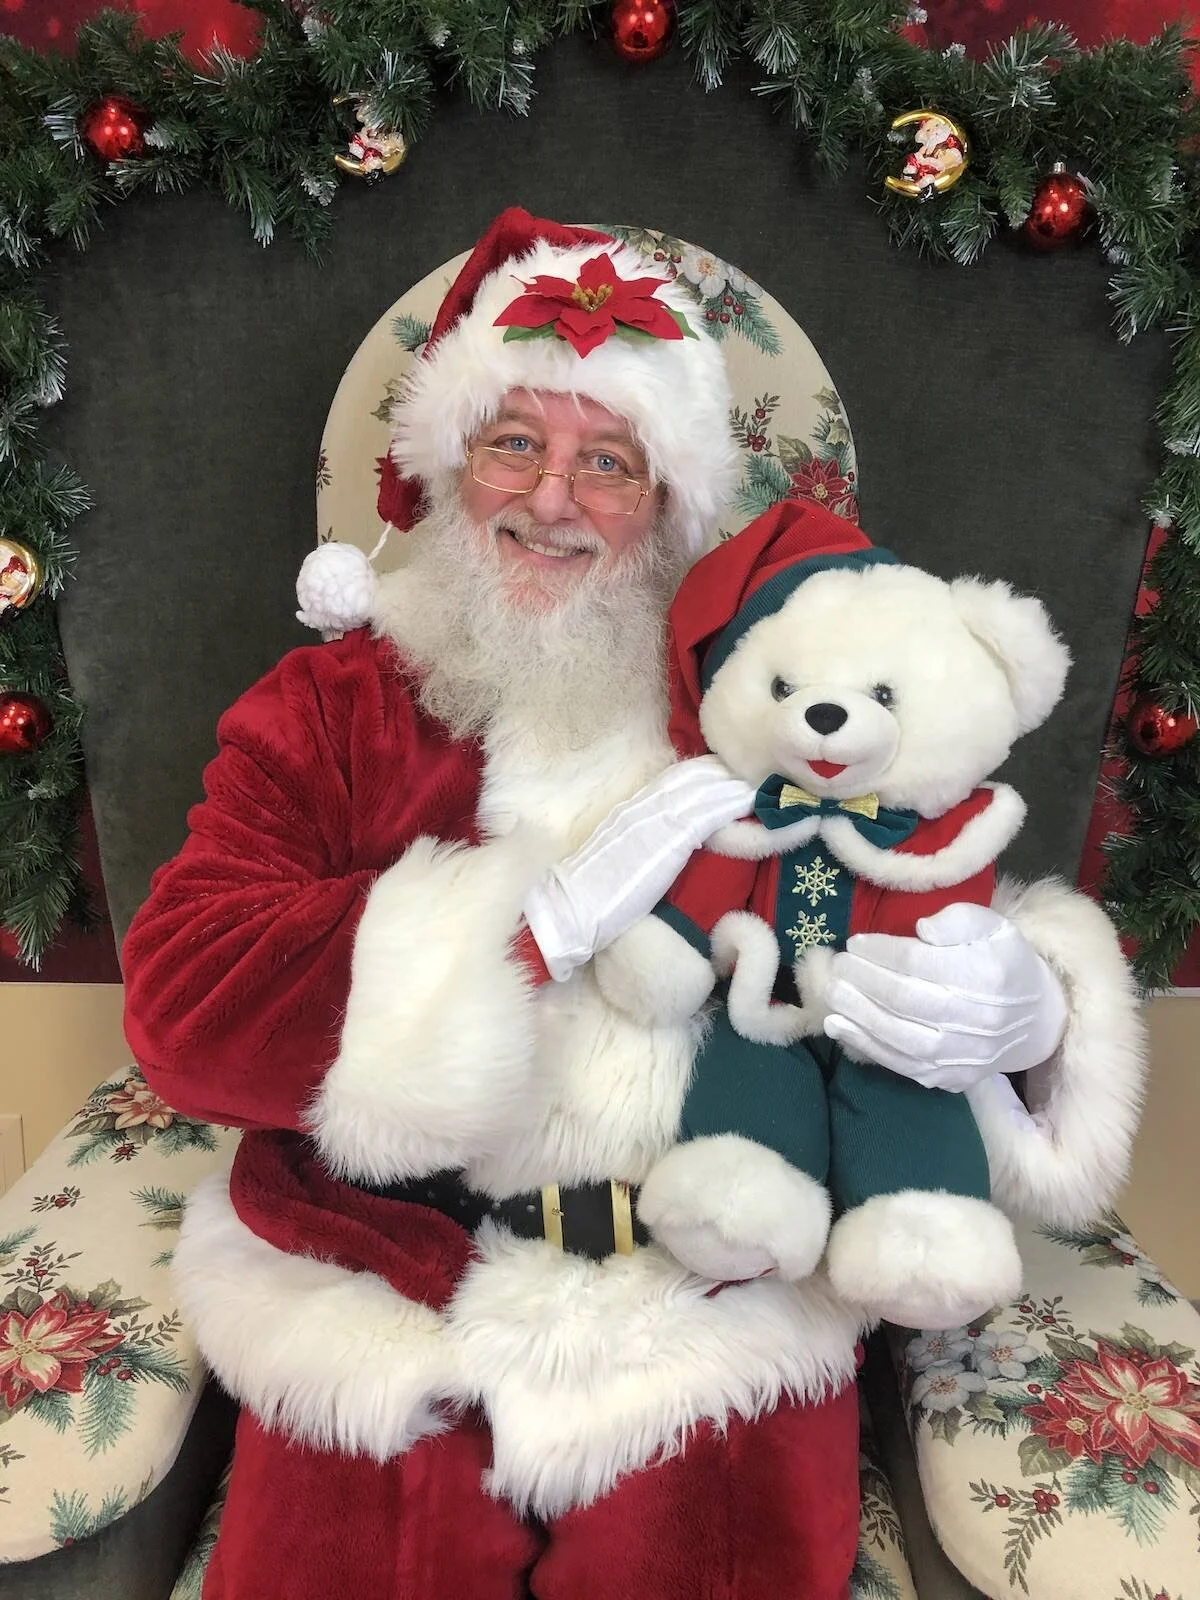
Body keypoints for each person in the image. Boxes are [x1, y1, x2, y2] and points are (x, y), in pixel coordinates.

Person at [122, 209, 1145, 1600]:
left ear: (670, 503)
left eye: (608, 462)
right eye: (514, 444)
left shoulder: (770, 705)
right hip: (379, 1288)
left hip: (710, 1300)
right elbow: (182, 1005)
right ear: (450, 466)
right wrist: (524, 931)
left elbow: (925, 897)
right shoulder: (334, 703)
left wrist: (1030, 1025)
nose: (553, 500)